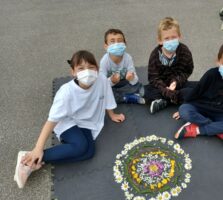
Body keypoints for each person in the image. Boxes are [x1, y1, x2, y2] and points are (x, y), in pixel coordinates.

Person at [14, 50, 125, 188]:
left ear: (97, 68)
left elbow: (107, 96)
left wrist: (112, 114)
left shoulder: (101, 79)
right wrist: (38, 148)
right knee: (81, 147)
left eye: (91, 67)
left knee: (89, 153)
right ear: (73, 72)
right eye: (81, 68)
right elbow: (51, 121)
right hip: (67, 121)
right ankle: (29, 158)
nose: (88, 72)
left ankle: (36, 162)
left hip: (87, 121)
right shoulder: (66, 92)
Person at [173, 40, 223, 146]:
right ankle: (218, 130)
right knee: (184, 110)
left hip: (221, 112)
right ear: (218, 61)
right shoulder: (211, 74)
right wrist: (184, 106)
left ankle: (197, 129)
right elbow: (196, 91)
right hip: (202, 107)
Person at [144, 17, 194, 114]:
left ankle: (165, 101)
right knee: (145, 91)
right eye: (166, 38)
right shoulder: (155, 55)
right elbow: (153, 78)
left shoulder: (184, 51)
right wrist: (165, 89)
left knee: (197, 88)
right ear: (160, 41)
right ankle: (174, 98)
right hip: (161, 87)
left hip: (178, 84)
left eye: (174, 37)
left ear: (179, 36)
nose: (170, 41)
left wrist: (176, 82)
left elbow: (187, 70)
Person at [99, 29, 145, 104]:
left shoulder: (128, 58)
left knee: (138, 86)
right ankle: (127, 97)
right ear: (106, 46)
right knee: (103, 94)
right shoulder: (104, 61)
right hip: (112, 86)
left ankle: (126, 96)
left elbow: (135, 79)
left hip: (125, 83)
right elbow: (101, 83)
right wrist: (112, 81)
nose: (116, 44)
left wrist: (132, 78)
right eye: (112, 41)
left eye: (120, 41)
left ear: (125, 44)